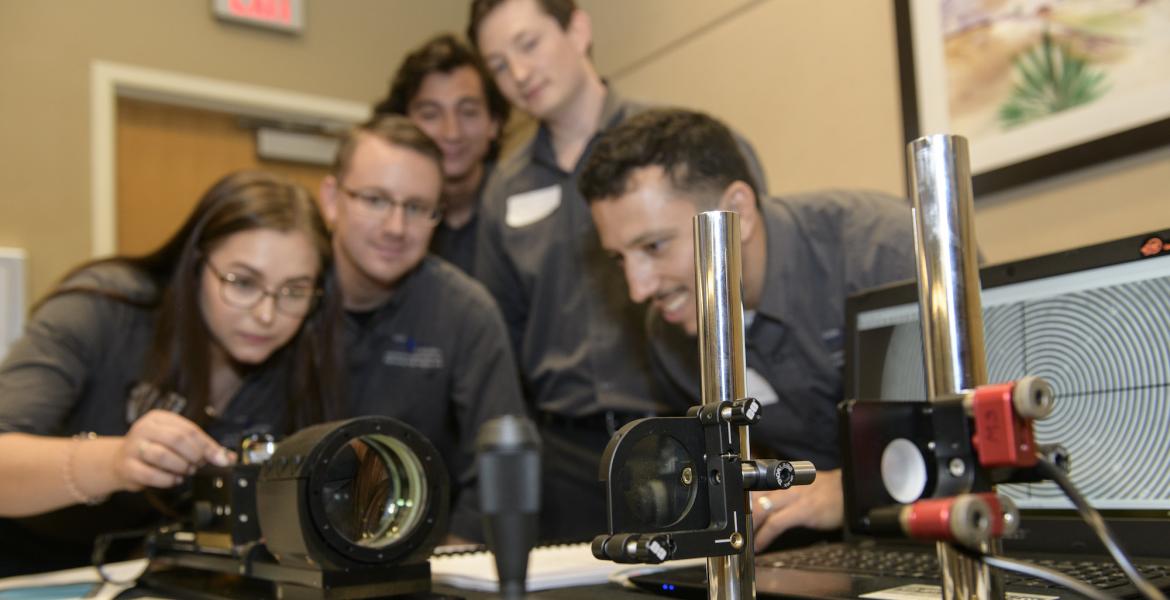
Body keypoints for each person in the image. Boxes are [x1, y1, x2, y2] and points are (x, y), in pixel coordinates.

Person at [467, 0, 770, 541]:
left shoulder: (677, 149)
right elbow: (500, 338)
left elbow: (750, 280)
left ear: (578, 28)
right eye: (496, 64)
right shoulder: (503, 190)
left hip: (677, 435)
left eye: (528, 43)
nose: (517, 73)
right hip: (563, 454)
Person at [580, 108, 918, 551]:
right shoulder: (670, 336)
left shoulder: (886, 256)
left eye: (654, 246)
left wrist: (853, 489)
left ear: (737, 209)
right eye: (620, 259)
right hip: (809, 552)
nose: (638, 289)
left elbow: (983, 438)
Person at [0, 171, 344, 576]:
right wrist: (115, 462)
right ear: (196, 264)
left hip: (155, 575)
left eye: (294, 291)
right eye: (243, 282)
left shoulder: (304, 356)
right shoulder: (102, 309)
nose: (267, 315)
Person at [317, 115, 525, 543]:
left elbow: (499, 467)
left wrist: (451, 565)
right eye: (375, 199)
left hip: (419, 557)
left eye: (416, 208)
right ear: (332, 199)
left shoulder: (465, 312)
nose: (396, 227)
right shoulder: (281, 295)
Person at [373, 33, 510, 275]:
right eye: (430, 114)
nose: (452, 132)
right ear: (404, 122)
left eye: (468, 112)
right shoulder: (380, 216)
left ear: (495, 123)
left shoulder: (518, 209)